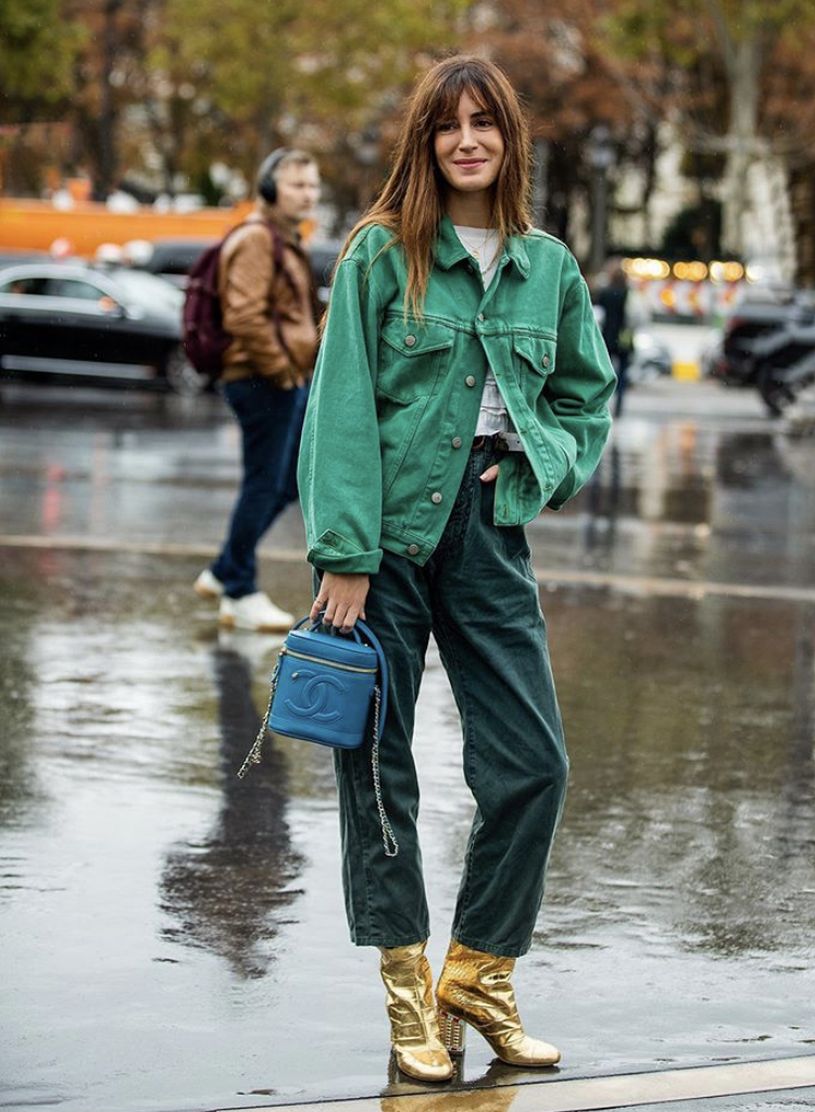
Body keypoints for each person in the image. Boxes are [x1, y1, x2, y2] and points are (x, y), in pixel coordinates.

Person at [299, 56, 615, 1081]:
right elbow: (340, 406)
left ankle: (478, 968)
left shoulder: (548, 267)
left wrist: (539, 468)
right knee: (378, 764)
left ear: (509, 141)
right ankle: (405, 990)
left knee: (534, 763)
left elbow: (585, 394)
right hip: (384, 541)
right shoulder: (380, 256)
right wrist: (343, 553)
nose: (469, 139)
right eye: (450, 125)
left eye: (486, 123)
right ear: (427, 141)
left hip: (487, 530)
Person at [194, 148, 323, 630]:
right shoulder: (255, 240)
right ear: (269, 189)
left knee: (287, 481)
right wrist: (285, 372)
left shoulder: (284, 239)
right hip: (261, 378)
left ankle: (226, 572)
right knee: (264, 482)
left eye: (312, 186)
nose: (307, 195)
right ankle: (240, 586)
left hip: (279, 377)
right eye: (296, 185)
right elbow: (244, 315)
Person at [593, 257, 633, 417]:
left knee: (604, 375)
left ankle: (602, 406)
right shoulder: (628, 293)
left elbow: (598, 314)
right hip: (624, 338)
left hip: (607, 338)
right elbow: (633, 317)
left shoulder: (605, 293)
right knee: (622, 375)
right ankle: (619, 407)